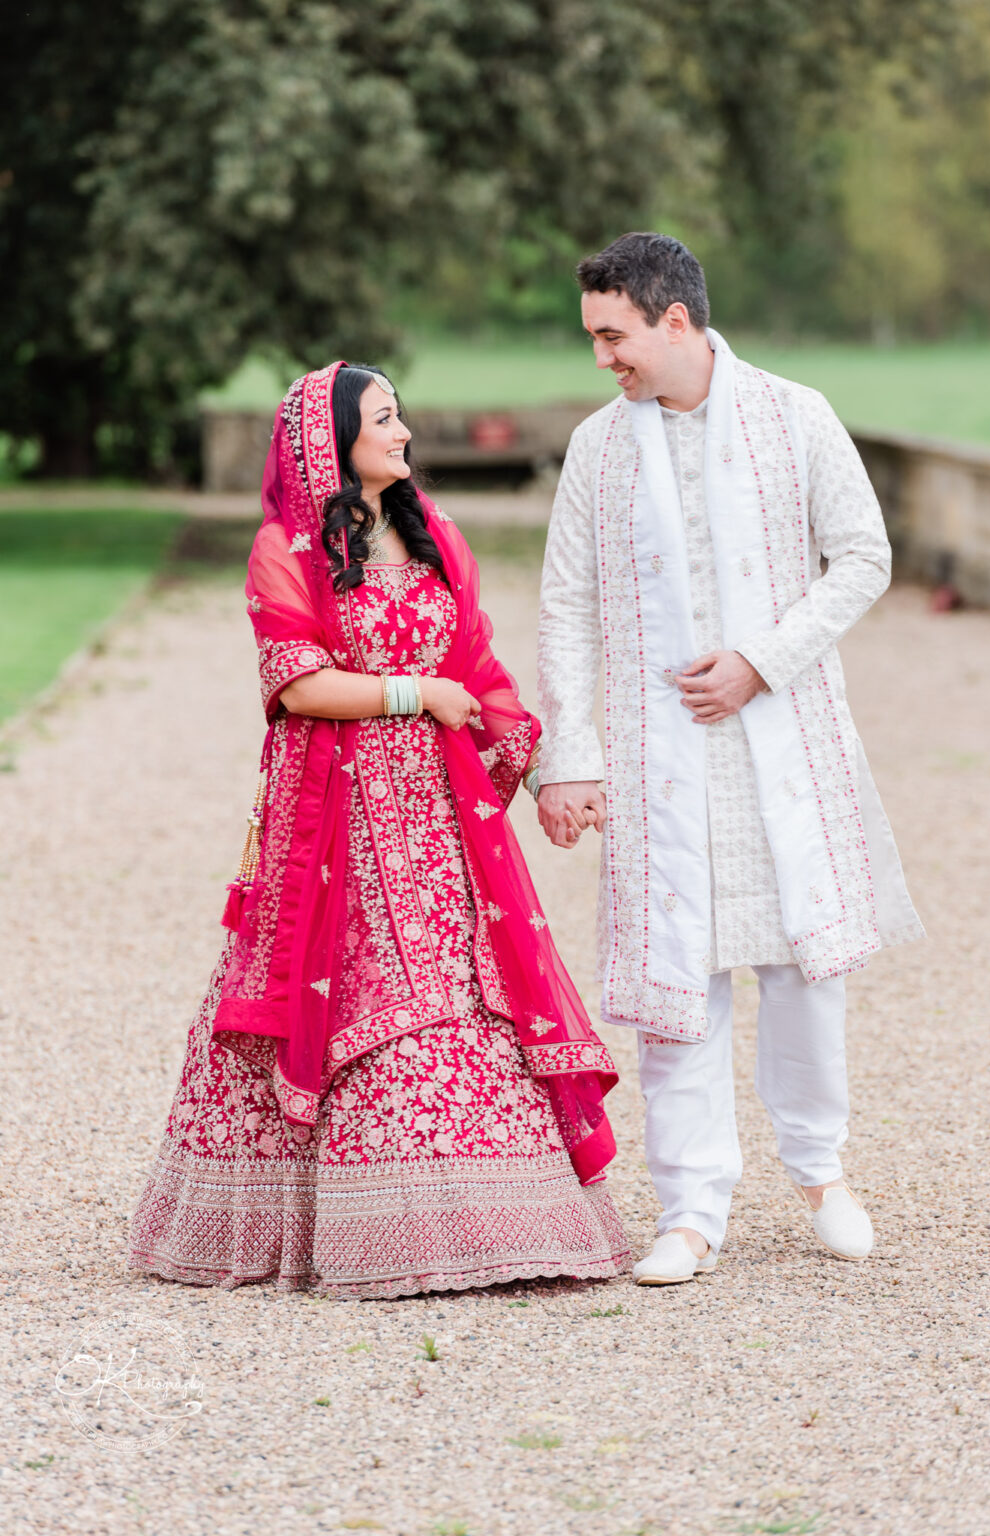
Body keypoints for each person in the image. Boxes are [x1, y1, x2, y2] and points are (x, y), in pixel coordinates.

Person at [129, 361, 630, 1299]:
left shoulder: (431, 532)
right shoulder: (285, 549)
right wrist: (417, 695)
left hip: (439, 820)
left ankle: (501, 1217)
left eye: (401, 417)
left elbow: (474, 659)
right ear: (333, 443)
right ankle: (371, 1229)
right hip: (334, 816)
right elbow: (297, 683)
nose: (404, 434)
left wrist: (527, 751)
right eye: (385, 420)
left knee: (456, 982)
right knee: (344, 987)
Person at [536, 233, 924, 1285]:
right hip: (657, 757)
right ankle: (689, 1209)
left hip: (780, 741)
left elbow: (862, 558)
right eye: (592, 339)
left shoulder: (791, 416)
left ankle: (819, 1173)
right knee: (678, 977)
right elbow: (565, 603)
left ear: (674, 321)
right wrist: (567, 755)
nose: (601, 358)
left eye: (612, 336)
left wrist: (761, 660)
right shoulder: (597, 447)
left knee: (801, 968)